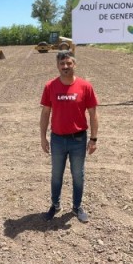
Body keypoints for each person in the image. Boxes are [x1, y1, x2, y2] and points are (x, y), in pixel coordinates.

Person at [40, 50, 99, 223]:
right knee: (56, 175)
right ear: (58, 66)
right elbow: (45, 113)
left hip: (78, 140)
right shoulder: (50, 86)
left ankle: (76, 207)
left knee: (78, 175)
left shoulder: (85, 86)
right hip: (57, 139)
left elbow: (93, 113)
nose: (65, 66)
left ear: (74, 64)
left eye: (68, 63)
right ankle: (55, 205)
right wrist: (43, 137)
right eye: (62, 64)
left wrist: (93, 139)